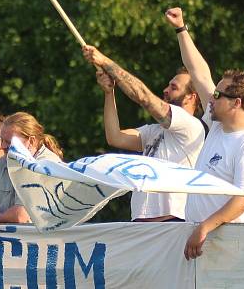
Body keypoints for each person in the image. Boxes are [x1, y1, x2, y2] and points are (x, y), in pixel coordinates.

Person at [163, 7, 244, 259]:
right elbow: (198, 72)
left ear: (236, 103)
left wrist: (205, 227)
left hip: (230, 246)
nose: (211, 98)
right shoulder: (218, 125)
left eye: (218, 95)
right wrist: (181, 28)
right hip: (204, 241)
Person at [85, 45, 206, 222]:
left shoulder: (191, 125)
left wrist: (104, 61)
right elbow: (114, 137)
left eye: (174, 87)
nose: (165, 89)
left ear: (191, 97)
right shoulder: (154, 130)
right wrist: (109, 93)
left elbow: (143, 97)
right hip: (141, 221)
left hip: (171, 220)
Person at [0, 111, 63, 225]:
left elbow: (20, 216)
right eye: (2, 140)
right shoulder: (1, 165)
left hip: (49, 240)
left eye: (8, 142)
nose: (2, 146)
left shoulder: (44, 165)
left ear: (31, 141)